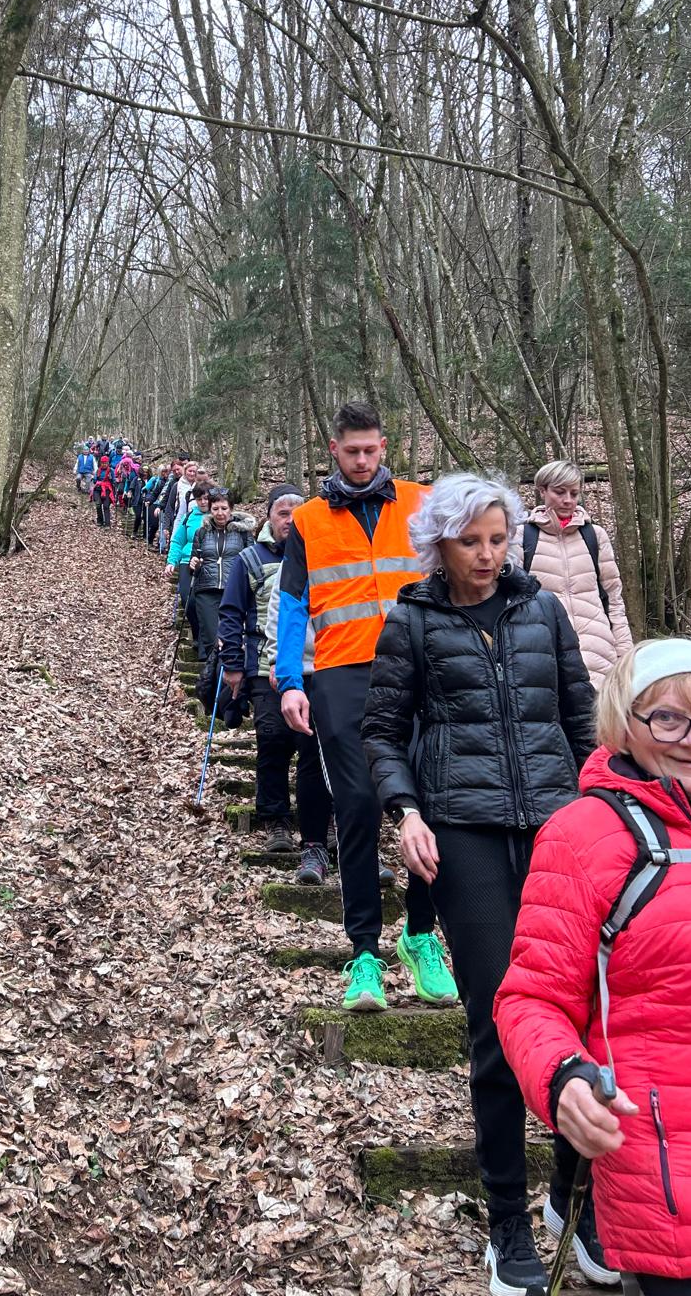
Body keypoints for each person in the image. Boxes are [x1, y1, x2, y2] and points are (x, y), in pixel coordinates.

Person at [360, 470, 599, 1295]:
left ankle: (572, 1198)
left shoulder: (544, 611)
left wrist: (601, 807)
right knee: (499, 1019)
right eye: (472, 541)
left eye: (498, 539)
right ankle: (507, 1224)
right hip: (461, 830)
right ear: (441, 544)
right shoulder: (413, 620)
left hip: (559, 829)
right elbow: (382, 730)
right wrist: (406, 812)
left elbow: (580, 717)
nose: (489, 555)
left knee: (577, 1012)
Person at [496, 640, 691, 1296]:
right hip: (681, 1186)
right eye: (668, 719)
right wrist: (563, 1080)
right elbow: (531, 998)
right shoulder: (584, 836)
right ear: (624, 725)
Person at [275, 400, 455, 1014]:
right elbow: (293, 603)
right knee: (355, 806)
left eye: (370, 450)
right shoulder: (307, 519)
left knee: (429, 799)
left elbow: (460, 574)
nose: (360, 460)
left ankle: (421, 935)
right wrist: (289, 681)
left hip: (421, 665)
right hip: (341, 672)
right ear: (334, 449)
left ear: (384, 446)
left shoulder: (423, 503)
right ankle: (364, 953)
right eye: (350, 451)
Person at [220, 485, 334, 877]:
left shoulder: (322, 552)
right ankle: (276, 818)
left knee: (317, 747)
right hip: (263, 663)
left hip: (321, 666)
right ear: (269, 516)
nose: (290, 520)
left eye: (296, 513)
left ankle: (323, 822)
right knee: (272, 738)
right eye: (282, 513)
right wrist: (233, 663)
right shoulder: (251, 559)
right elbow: (232, 611)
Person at [517, 459, 633, 686]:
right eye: (559, 492)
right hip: (544, 655)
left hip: (599, 655)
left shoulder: (595, 536)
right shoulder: (521, 537)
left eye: (574, 493)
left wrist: (625, 656)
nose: (568, 500)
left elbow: (614, 600)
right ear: (542, 490)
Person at [189, 487, 256, 660]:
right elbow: (193, 563)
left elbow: (252, 563)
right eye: (215, 509)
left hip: (234, 591)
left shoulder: (243, 533)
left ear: (231, 509)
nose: (220, 513)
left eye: (224, 508)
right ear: (210, 510)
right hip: (206, 590)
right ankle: (212, 674)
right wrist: (194, 564)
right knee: (212, 640)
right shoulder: (202, 532)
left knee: (231, 639)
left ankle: (228, 673)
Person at [166, 480, 211, 639]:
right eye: (199, 499)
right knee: (188, 600)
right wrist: (172, 561)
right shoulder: (189, 516)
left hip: (210, 562)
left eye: (206, 498)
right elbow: (178, 541)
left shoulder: (218, 516)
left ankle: (205, 638)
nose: (203, 502)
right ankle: (197, 634)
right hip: (187, 561)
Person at [91, 460, 115, 528]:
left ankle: (107, 523)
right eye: (102, 463)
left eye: (105, 463)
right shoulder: (98, 470)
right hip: (98, 489)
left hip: (107, 490)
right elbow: (95, 480)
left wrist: (111, 479)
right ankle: (100, 521)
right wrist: (94, 479)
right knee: (98, 504)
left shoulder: (111, 471)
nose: (104, 464)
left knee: (106, 506)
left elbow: (114, 481)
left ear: (108, 463)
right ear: (100, 463)